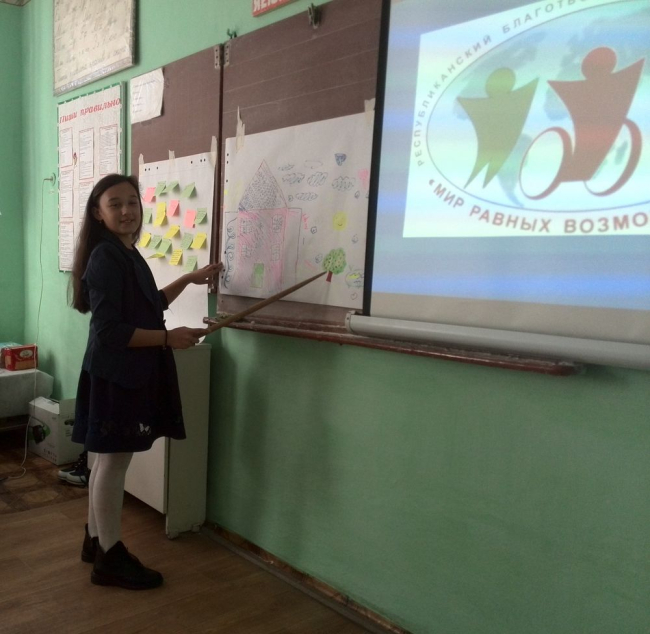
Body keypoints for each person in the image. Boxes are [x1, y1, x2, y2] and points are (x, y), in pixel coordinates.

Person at [69, 173, 221, 590]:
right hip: (115, 374)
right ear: (98, 213)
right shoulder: (106, 257)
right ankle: (110, 556)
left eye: (132, 202)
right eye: (115, 204)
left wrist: (187, 279)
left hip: (118, 373)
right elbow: (111, 332)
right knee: (112, 462)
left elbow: (148, 305)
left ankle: (95, 540)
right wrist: (168, 339)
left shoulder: (125, 251)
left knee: (105, 460)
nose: (126, 211)